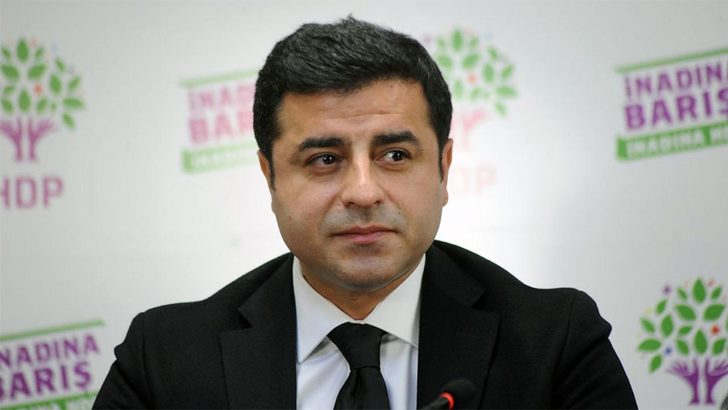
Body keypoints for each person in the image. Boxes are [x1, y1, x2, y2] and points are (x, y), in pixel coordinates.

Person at [93, 17, 637, 409]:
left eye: (394, 155)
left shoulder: (554, 344)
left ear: (444, 168)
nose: (362, 191)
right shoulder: (164, 362)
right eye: (324, 159)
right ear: (270, 177)